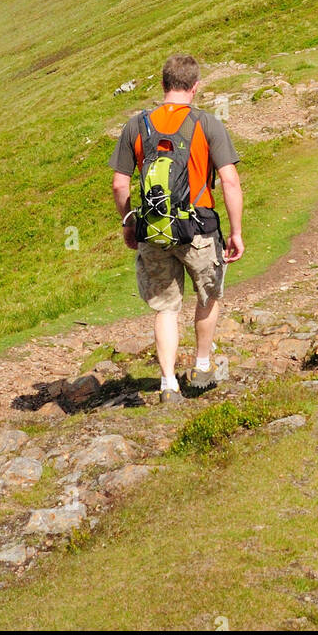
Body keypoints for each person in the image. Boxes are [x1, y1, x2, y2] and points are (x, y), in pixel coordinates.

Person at [109, 53, 243, 403]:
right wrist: (236, 232)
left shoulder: (137, 126)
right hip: (199, 228)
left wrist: (129, 224)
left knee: (166, 308)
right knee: (208, 294)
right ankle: (201, 366)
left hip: (153, 230)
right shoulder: (208, 124)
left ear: (163, 84)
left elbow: (119, 185)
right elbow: (229, 181)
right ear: (195, 87)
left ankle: (168, 385)